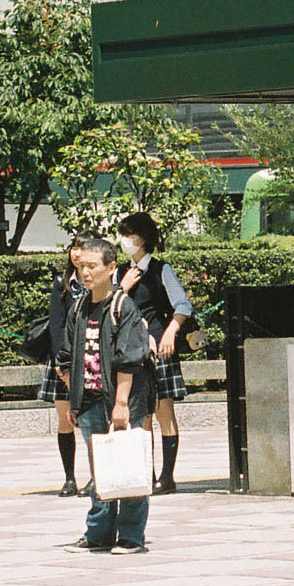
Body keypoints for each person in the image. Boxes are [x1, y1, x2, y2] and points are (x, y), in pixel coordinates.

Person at [57, 236, 155, 555]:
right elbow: (69, 355)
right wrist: (74, 400)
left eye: (92, 266)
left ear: (111, 267)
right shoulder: (80, 307)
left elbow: (130, 358)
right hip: (89, 401)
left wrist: (122, 404)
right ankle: (98, 533)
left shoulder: (121, 306)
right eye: (81, 266)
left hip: (121, 400)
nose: (85, 272)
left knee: (127, 466)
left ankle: (130, 535)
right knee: (100, 470)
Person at [116, 211, 193, 495]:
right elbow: (113, 305)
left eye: (130, 236)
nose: (125, 241)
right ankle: (145, 473)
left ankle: (167, 475)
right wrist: (123, 287)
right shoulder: (121, 271)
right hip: (133, 348)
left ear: (144, 239)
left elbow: (183, 305)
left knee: (163, 410)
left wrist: (172, 330)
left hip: (161, 346)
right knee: (141, 414)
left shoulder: (162, 269)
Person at [39, 234, 92, 497]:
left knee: (93, 420)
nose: (77, 253)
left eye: (82, 247)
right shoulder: (63, 284)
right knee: (65, 421)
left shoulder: (99, 283)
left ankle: (97, 475)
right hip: (64, 359)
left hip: (91, 358)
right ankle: (69, 477)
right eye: (74, 247)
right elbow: (56, 325)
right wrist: (62, 363)